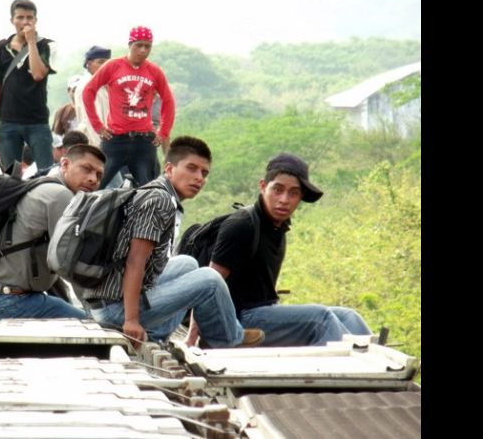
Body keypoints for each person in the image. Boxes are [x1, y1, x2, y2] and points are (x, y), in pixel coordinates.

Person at [81, 136, 264, 348]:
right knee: (210, 279)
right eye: (191, 168)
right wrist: (131, 321)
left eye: (204, 173)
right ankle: (230, 338)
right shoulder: (158, 202)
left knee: (188, 263)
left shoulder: (159, 192)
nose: (199, 178)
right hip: (114, 310)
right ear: (169, 168)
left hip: (109, 297)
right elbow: (135, 263)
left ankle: (157, 333)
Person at [192, 152, 372, 347]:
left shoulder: (277, 227)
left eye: (293, 193)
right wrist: (193, 335)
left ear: (301, 196)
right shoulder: (242, 225)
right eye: (277, 190)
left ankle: (383, 366)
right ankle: (339, 372)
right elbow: (208, 284)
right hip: (237, 322)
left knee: (349, 317)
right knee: (321, 319)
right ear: (263, 186)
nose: (284, 199)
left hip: (264, 311)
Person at [0, 144, 107, 357]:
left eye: (99, 174)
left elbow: (49, 261)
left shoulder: (39, 184)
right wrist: (95, 313)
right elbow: (71, 265)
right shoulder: (61, 197)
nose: (93, 179)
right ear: (65, 164)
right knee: (92, 330)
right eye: (86, 169)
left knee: (59, 307)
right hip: (7, 301)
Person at [81, 27, 175, 189]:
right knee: (95, 185)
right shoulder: (113, 66)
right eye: (139, 45)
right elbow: (88, 92)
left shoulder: (154, 71)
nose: (143, 50)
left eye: (147, 46)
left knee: (149, 191)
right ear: (130, 44)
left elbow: (168, 100)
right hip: (115, 139)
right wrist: (98, 126)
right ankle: (80, 213)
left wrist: (163, 131)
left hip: (144, 140)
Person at [0, 0, 56, 171]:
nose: (25, 22)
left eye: (29, 18)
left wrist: (31, 42)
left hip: (37, 121)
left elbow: (38, 74)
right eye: (20, 17)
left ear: (35, 20)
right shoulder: (2, 47)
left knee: (46, 172)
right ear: (12, 20)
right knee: (11, 175)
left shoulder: (46, 46)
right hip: (8, 121)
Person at [73, 45, 112, 146]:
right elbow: (90, 122)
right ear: (89, 64)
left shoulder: (104, 85)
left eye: (108, 62)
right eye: (101, 62)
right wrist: (101, 149)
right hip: (94, 143)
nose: (105, 66)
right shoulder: (86, 86)